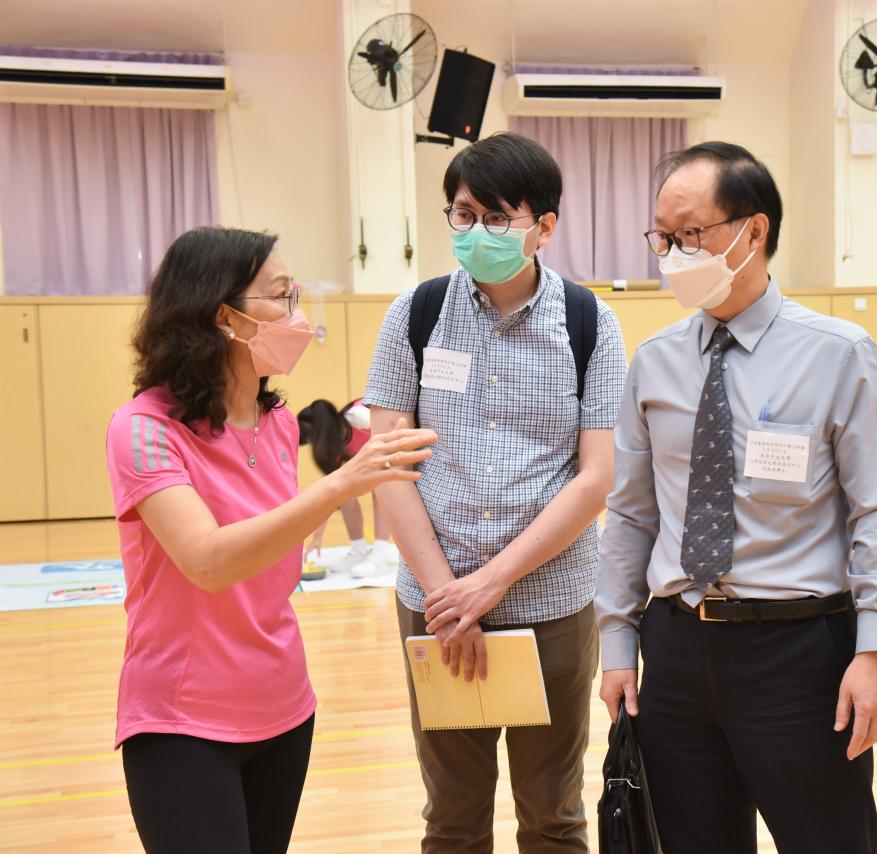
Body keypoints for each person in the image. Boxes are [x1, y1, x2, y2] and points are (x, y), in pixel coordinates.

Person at [595, 141, 877, 854]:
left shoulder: (838, 353)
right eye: (663, 238)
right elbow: (632, 515)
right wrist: (617, 644)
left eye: (691, 234)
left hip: (798, 650)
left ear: (754, 231)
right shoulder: (655, 361)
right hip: (676, 649)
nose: (674, 254)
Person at [104, 227, 433, 854]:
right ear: (224, 316)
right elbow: (207, 561)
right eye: (281, 297)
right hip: (183, 721)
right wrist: (341, 484)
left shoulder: (279, 422)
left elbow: (275, 551)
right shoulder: (143, 429)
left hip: (284, 708)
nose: (296, 315)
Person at [363, 132, 628, 852]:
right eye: (463, 214)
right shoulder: (414, 315)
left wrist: (491, 582)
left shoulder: (590, 322)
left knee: (553, 817)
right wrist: (448, 596)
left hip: (553, 603)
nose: (476, 231)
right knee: (452, 820)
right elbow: (388, 466)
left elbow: (596, 477)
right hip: (436, 607)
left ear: (545, 226)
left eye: (497, 218)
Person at [298, 397, 397, 576]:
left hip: (400, 454)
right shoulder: (335, 447)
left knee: (380, 486)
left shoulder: (359, 417)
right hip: (382, 464)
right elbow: (332, 491)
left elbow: (394, 431)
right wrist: (317, 537)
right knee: (344, 491)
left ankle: (380, 555)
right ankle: (358, 551)